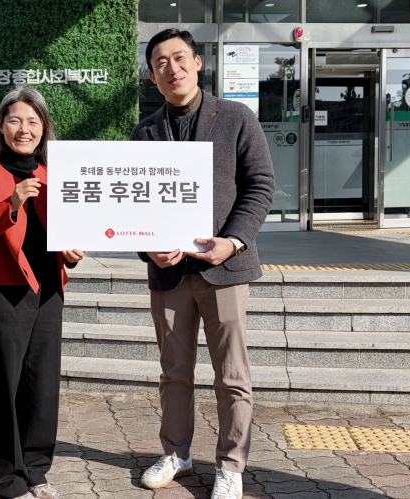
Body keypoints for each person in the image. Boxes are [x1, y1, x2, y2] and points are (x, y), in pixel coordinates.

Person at [131, 29, 275, 499]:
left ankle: (230, 465)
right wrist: (148, 246)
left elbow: (260, 184)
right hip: (169, 274)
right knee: (174, 371)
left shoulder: (235, 118)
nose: (171, 68)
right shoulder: (144, 132)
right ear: (152, 76)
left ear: (197, 62)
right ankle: (177, 453)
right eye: (161, 63)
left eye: (179, 58)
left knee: (232, 374)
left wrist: (233, 241)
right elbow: (133, 204)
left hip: (223, 270)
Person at [0, 87, 85, 499]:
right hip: (4, 293)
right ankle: (2, 480)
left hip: (49, 291)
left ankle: (35, 470)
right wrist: (10, 204)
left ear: (44, 128)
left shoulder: (56, 176)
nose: (24, 129)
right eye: (14, 120)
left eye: (33, 121)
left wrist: (70, 252)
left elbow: (60, 235)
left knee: (42, 387)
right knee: (5, 388)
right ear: (1, 126)